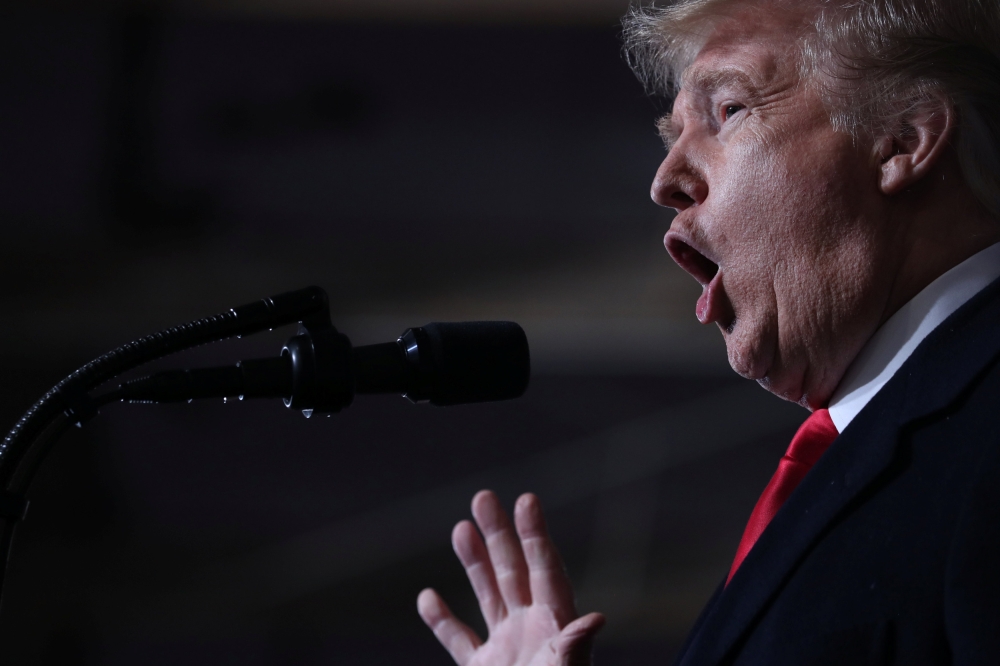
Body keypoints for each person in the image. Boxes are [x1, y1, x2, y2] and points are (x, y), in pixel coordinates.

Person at [417, 0, 1000, 663]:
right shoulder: (869, 456)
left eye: (728, 111)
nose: (665, 181)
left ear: (903, 139)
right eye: (672, 137)